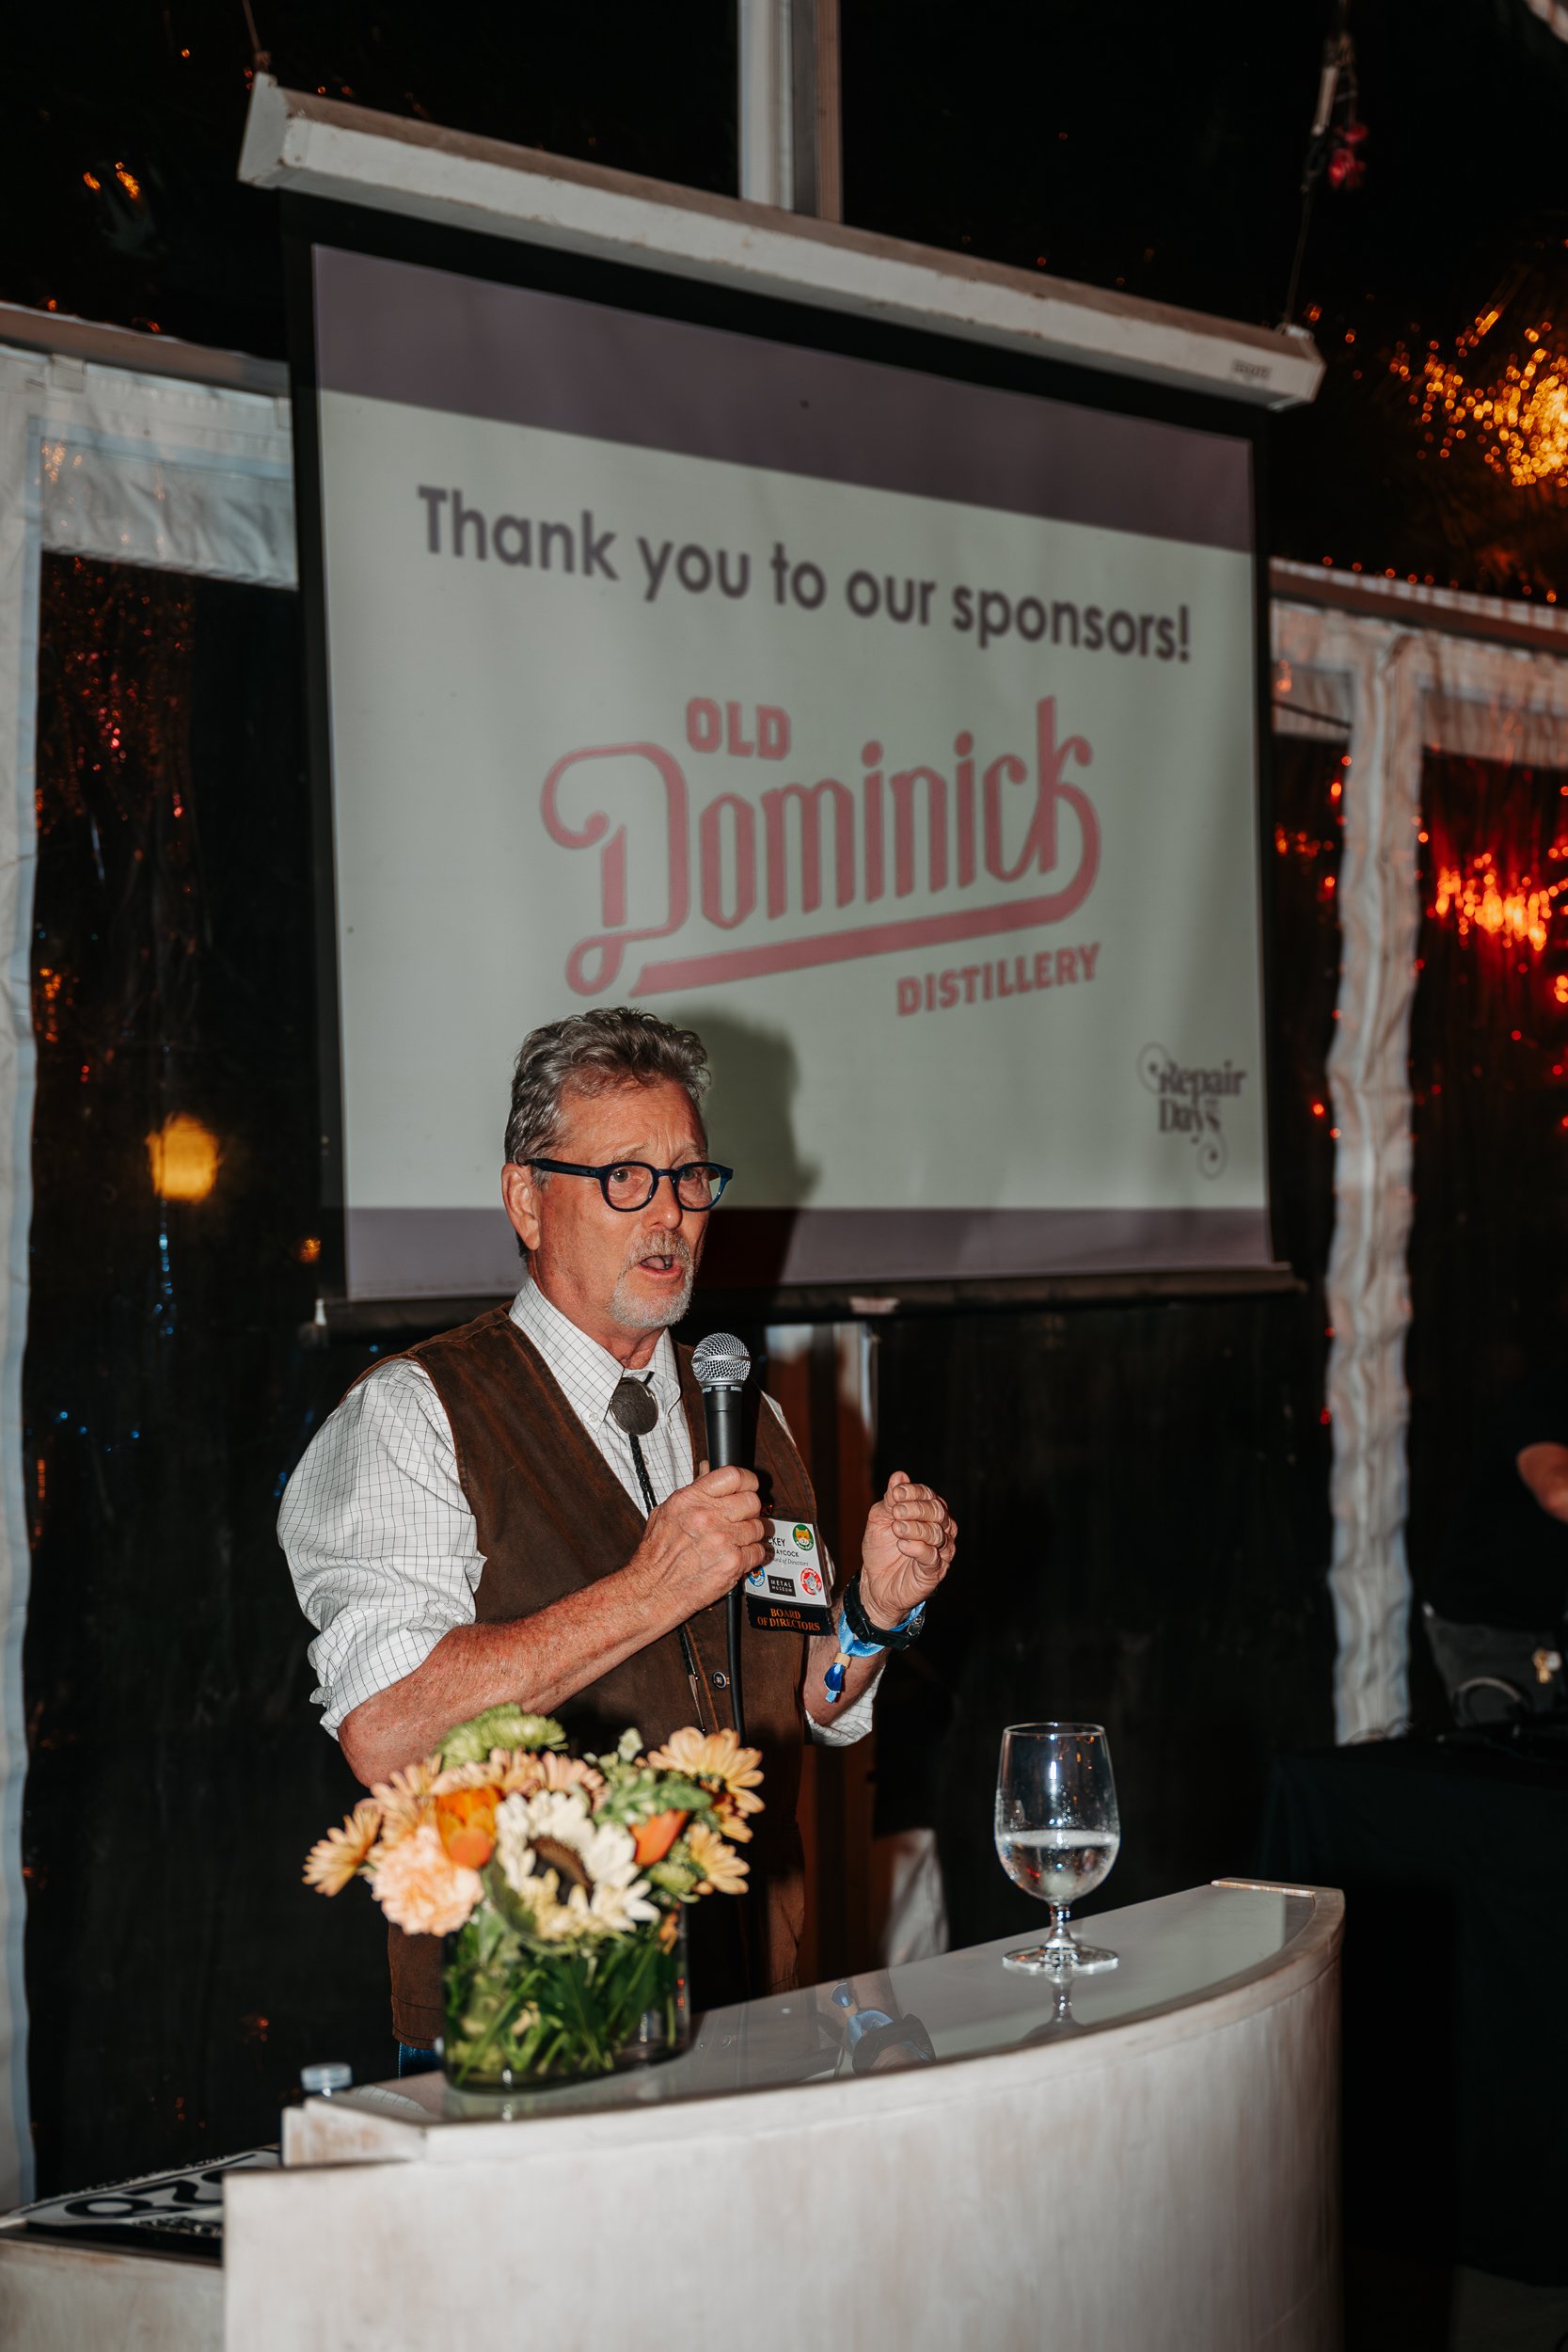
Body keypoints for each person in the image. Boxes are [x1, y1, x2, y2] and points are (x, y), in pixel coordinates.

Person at [280, 1006, 958, 2050]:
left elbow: (807, 1702)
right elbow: (389, 1732)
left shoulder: (747, 1414)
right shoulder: (415, 1413)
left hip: (748, 2001)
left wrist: (869, 1616)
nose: (670, 1215)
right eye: (624, 1178)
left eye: (690, 1178)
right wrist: (649, 1591)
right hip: (532, 2028)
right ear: (527, 1200)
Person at [1422, 1371, 1568, 1723]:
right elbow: (1558, 1493)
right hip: (1488, 1633)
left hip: (1549, 1625)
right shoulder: (1545, 1397)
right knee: (1511, 1769)